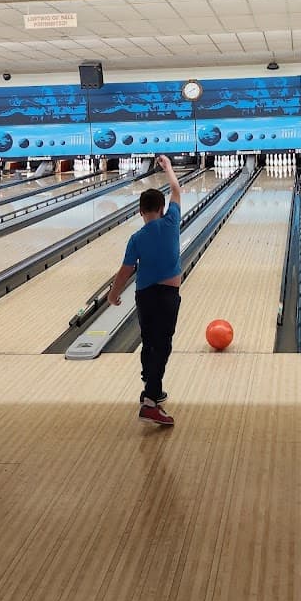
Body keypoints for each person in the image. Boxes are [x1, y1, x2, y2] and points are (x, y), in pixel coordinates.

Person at [108, 155, 181, 427]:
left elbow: (125, 271)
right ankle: (150, 401)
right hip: (167, 297)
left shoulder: (136, 238)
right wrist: (168, 168)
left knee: (149, 341)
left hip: (144, 296)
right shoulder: (171, 222)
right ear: (162, 208)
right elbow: (176, 189)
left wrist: (113, 295)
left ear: (140, 212)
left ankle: (151, 386)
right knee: (163, 344)